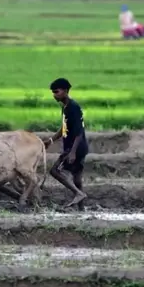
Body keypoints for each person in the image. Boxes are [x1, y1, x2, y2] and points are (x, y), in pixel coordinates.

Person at [44, 78, 89, 208]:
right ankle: (81, 209)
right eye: (53, 92)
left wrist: (72, 152)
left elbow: (79, 132)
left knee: (54, 171)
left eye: (56, 92)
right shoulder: (66, 107)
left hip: (74, 147)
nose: (54, 95)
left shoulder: (73, 108)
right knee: (77, 178)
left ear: (65, 91)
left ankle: (78, 193)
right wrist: (51, 140)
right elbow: (64, 128)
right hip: (79, 147)